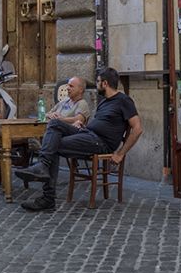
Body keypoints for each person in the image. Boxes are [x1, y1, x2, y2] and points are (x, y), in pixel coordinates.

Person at [17, 67, 141, 212]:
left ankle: (47, 195)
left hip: (100, 142)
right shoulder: (104, 102)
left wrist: (120, 154)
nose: (96, 84)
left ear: (105, 83)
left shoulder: (124, 101)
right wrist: (80, 125)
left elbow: (137, 129)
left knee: (52, 145)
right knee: (55, 124)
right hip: (87, 134)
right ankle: (43, 167)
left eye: (98, 82)